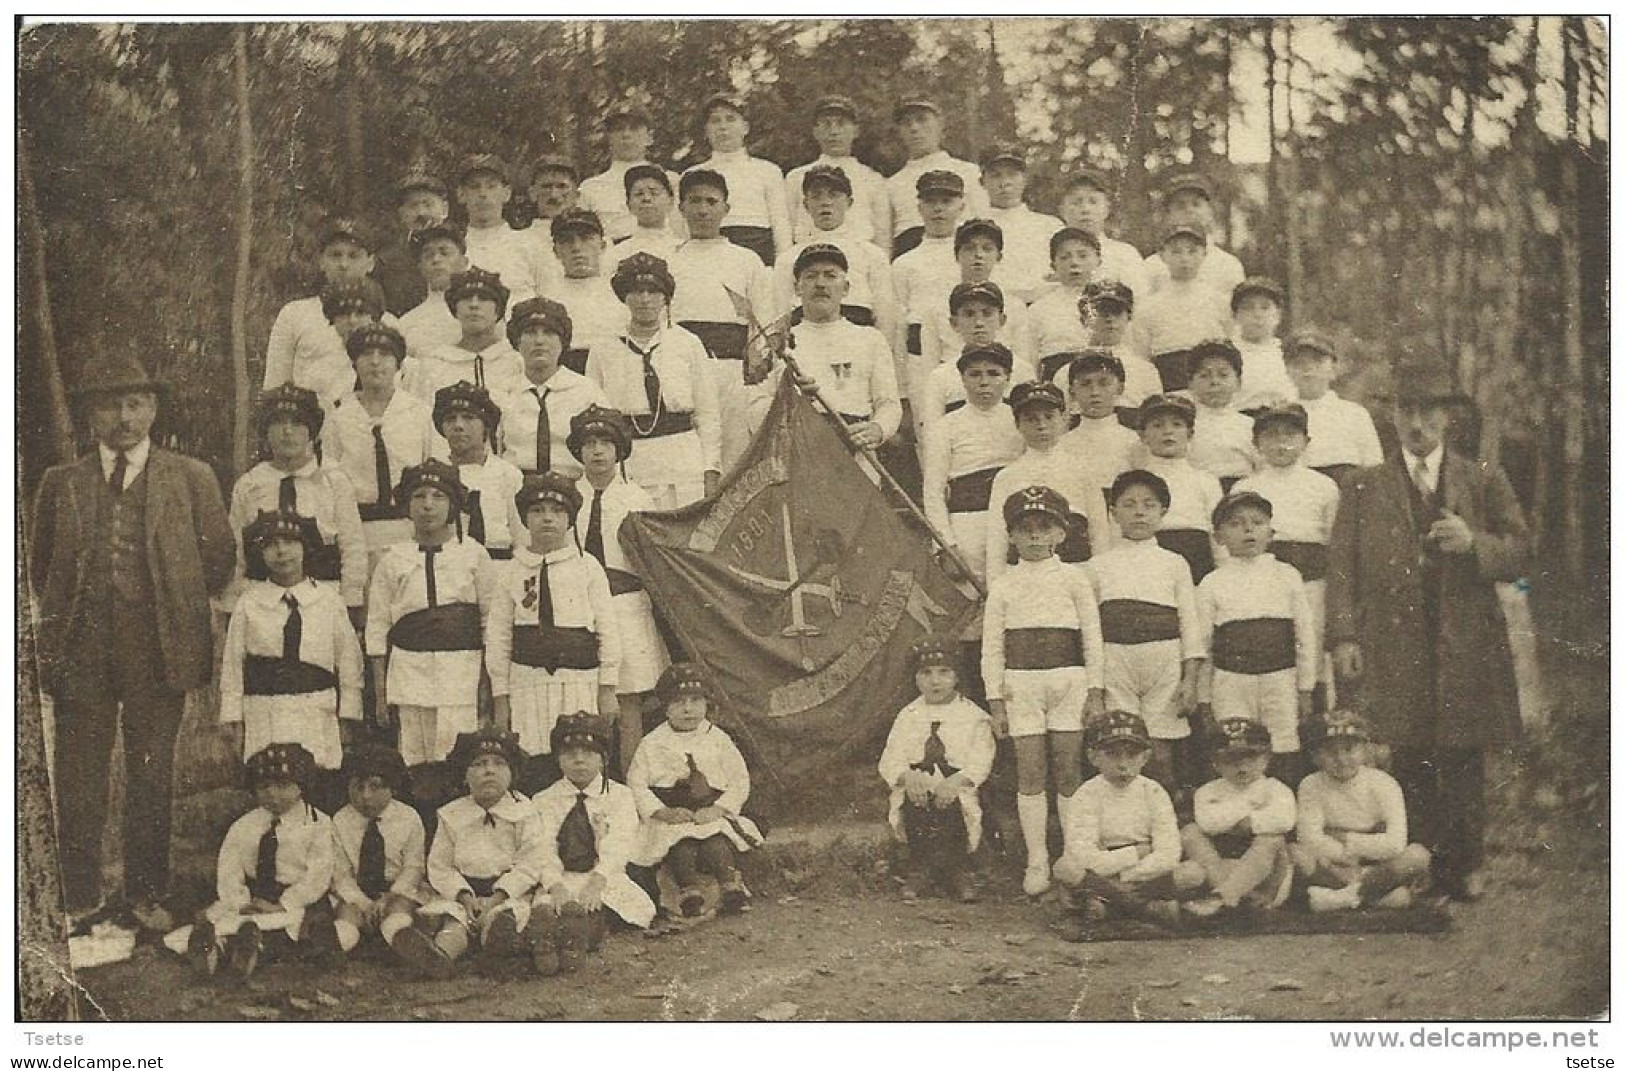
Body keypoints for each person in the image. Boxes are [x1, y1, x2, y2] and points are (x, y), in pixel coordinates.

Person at [29, 355, 234, 932]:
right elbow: (44, 567)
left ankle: (145, 894)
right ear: (91, 414)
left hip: (158, 650)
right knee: (78, 775)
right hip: (82, 651)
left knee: (150, 773)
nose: (124, 417)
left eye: (136, 404)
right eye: (110, 405)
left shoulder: (191, 477)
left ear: (154, 409)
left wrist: (171, 606)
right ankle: (80, 895)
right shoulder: (61, 483)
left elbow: (217, 560)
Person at [1325, 362, 1529, 901]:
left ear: (1447, 419)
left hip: (1464, 640)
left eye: (1429, 413)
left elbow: (1523, 551)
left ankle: (1467, 864)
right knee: (1409, 752)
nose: (1417, 424)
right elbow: (1342, 565)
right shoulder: (1364, 485)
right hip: (1396, 642)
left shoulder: (1481, 477)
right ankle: (1418, 864)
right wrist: (1344, 637)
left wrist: (1474, 542)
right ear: (1393, 417)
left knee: (1463, 755)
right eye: (1407, 412)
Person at [982, 485, 1106, 895]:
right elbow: (993, 647)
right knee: (1031, 771)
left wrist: (1095, 690)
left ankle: (1072, 857)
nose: (1035, 537)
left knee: (1069, 769)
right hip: (1022, 685)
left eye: (1044, 527)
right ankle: (1037, 859)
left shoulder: (1075, 578)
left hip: (1068, 680)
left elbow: (1092, 638)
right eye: (1026, 529)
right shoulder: (1003, 584)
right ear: (1012, 536)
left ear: (1061, 534)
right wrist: (996, 700)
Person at [365, 460, 494, 812]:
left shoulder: (474, 555)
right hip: (410, 674)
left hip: (462, 672)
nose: (427, 505)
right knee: (417, 762)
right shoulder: (392, 560)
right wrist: (380, 690)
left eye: (438, 496)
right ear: (407, 504)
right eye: (419, 496)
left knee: (460, 756)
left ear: (453, 504)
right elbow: (377, 627)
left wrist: (487, 679)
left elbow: (490, 623)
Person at [219, 509, 363, 810]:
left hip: (315, 708)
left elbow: (349, 662)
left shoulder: (327, 601)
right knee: (271, 784)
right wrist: (232, 715)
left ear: (306, 547)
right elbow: (233, 664)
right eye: (271, 544)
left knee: (317, 783)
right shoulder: (250, 603)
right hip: (265, 710)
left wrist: (349, 714)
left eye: (290, 542)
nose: (281, 551)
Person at [486, 471, 620, 792]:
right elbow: (499, 637)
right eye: (537, 511)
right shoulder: (511, 571)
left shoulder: (587, 567)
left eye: (557, 511)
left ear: (571, 519)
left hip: (578, 682)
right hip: (527, 681)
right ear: (524, 518)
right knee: (533, 758)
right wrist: (501, 696)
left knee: (577, 756)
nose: (547, 519)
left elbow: (608, 630)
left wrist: (608, 687)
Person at [1084, 470, 1203, 792]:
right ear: (1113, 512)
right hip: (1116, 661)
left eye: (1149, 505)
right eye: (1129, 504)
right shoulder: (1098, 565)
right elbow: (1091, 631)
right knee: (1121, 745)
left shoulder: (1175, 563)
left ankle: (1164, 819)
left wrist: (1190, 679)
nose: (1139, 512)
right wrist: (1095, 690)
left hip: (1163, 661)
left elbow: (1190, 625)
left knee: (1160, 753)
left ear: (1163, 512)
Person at [396, 728, 546, 978]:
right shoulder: (452, 815)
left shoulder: (525, 813)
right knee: (453, 922)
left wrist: (498, 897)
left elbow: (529, 864)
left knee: (505, 918)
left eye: (499, 764)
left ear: (512, 774)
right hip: (464, 894)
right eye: (479, 764)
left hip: (506, 894)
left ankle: (498, 947)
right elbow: (440, 865)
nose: (489, 770)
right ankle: (439, 956)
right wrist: (464, 896)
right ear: (465, 776)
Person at [569, 405, 669, 774]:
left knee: (627, 702)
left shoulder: (638, 499)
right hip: (579, 607)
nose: (597, 451)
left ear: (619, 450)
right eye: (589, 443)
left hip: (627, 604)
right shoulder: (567, 500)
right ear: (578, 450)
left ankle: (631, 784)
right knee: (585, 696)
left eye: (605, 443)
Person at [184, 743, 336, 979]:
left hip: (296, 896)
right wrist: (240, 901)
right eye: (264, 787)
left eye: (283, 786)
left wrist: (285, 903)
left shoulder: (318, 824)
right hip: (253, 896)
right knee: (225, 917)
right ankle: (215, 947)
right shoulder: (245, 825)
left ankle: (248, 949)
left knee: (292, 927)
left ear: (302, 786)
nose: (273, 795)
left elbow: (318, 875)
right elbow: (230, 868)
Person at [1197, 491, 1318, 783]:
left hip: (1281, 678)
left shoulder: (1287, 575)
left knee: (1283, 747)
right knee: (1235, 747)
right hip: (1232, 681)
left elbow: (1304, 634)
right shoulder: (1212, 583)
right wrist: (1204, 697)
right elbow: (1203, 645)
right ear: (1219, 537)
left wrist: (1305, 689)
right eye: (1236, 524)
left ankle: (1282, 815)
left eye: (1257, 522)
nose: (1248, 529)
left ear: (1271, 532)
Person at [628, 663, 764, 920]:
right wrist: (661, 812)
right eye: (679, 702)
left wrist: (719, 808)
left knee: (716, 842)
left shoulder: (718, 738)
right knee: (681, 845)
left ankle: (730, 885)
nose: (688, 709)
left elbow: (739, 779)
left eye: (695, 701)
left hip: (709, 809)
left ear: (706, 704)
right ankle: (688, 890)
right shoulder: (651, 743)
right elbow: (637, 783)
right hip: (673, 813)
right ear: (665, 707)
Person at [587, 252, 722, 507]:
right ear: (624, 296)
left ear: (665, 297)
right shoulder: (604, 348)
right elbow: (596, 414)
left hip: (684, 463)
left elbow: (708, 414)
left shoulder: (687, 343)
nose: (645, 299)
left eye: (653, 291)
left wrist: (710, 470)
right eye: (636, 291)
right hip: (632, 462)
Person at [1050, 712, 1201, 936]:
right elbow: (1084, 855)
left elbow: (1168, 852)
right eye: (1112, 755)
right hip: (1105, 871)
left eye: (1132, 755)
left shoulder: (1153, 792)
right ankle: (1147, 910)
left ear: (1145, 756)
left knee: (1192, 873)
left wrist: (1129, 877)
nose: (1123, 765)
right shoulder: (1087, 794)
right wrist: (1134, 854)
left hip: (1143, 874)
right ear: (1093, 757)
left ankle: (1114, 906)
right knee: (1066, 868)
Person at [529, 713, 657, 975]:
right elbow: (542, 847)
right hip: (562, 876)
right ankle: (547, 944)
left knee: (600, 905)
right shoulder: (544, 800)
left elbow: (619, 843)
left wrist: (597, 882)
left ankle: (580, 938)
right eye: (570, 753)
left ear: (603, 758)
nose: (579, 760)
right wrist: (555, 885)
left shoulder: (619, 796)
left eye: (588, 752)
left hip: (603, 876)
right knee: (547, 906)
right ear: (558, 759)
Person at [225, 384, 367, 620]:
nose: (287, 432)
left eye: (297, 423)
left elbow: (352, 548)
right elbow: (236, 552)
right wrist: (232, 608)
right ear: (266, 431)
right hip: (263, 602)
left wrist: (351, 605)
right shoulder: (250, 485)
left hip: (322, 599)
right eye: (278, 423)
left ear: (312, 432)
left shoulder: (333, 481)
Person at [668, 167, 777, 470]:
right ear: (682, 208)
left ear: (726, 209)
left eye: (711, 202)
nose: (703, 210)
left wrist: (755, 367)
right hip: (684, 370)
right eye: (695, 201)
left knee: (734, 457)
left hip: (732, 372)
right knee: (692, 454)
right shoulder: (670, 260)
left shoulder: (746, 259)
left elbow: (764, 322)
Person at [1234, 402, 1341, 703]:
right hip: (1263, 579)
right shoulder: (1246, 487)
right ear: (1256, 444)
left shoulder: (1324, 486)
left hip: (1312, 582)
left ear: (1306, 442)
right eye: (1271, 435)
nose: (1281, 442)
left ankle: (1315, 724)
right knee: (1272, 646)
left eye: (1290, 434)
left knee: (1312, 648)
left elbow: (1334, 541)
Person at [877, 638, 996, 902]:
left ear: (956, 677)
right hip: (919, 789)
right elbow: (891, 758)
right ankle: (922, 869)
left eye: (944, 672)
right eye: (926, 674)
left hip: (957, 787)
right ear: (916, 680)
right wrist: (907, 777)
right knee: (914, 799)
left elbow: (981, 759)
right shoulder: (908, 715)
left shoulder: (973, 716)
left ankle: (957, 870)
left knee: (955, 805)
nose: (935, 681)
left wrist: (958, 781)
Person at [323, 323, 445, 563]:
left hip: (409, 530)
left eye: (385, 355)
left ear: (399, 364)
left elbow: (436, 470)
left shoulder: (419, 413)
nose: (375, 362)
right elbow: (329, 479)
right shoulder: (339, 416)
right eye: (366, 354)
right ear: (355, 363)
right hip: (357, 531)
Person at [1292, 711, 1433, 912]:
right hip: (1334, 866)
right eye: (1331, 752)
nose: (1341, 759)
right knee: (1297, 854)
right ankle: (1371, 897)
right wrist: (1346, 862)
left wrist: (1346, 839)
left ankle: (1343, 897)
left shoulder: (1384, 784)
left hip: (1377, 866)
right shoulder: (1311, 785)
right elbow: (1309, 838)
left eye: (1349, 749)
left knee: (1418, 855)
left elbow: (1395, 843)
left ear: (1365, 751)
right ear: (1315, 756)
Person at [921, 342, 1024, 586]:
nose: (984, 382)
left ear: (1008, 378)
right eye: (975, 374)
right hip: (967, 524)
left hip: (1014, 524)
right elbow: (933, 492)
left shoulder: (1020, 420)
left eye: (993, 374)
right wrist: (946, 545)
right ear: (963, 379)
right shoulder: (946, 427)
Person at [264, 217, 391, 409]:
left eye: (353, 256)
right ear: (321, 261)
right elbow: (276, 384)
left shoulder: (388, 323)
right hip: (310, 427)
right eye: (335, 255)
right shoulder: (295, 314)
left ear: (370, 263)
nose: (344, 265)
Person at [984, 382, 1102, 583]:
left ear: (1064, 419)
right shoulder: (1007, 477)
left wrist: (1100, 582)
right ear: (1017, 424)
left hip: (1077, 573)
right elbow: (997, 542)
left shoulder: (1083, 471)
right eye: (1031, 419)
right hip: (1024, 577)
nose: (1041, 426)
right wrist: (995, 586)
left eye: (1049, 417)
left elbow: (1100, 534)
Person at [1180, 718, 1296, 917]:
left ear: (1266, 758)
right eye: (1231, 760)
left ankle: (1224, 897)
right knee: (1190, 832)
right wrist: (1251, 810)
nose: (1241, 766)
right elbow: (1208, 823)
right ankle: (1237, 898)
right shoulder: (1207, 791)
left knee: (1271, 838)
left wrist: (1247, 823)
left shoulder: (1276, 788)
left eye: (1250, 758)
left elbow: (1285, 820)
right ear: (1215, 763)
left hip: (1266, 873)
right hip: (1220, 868)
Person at [327, 743, 429, 960]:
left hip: (395, 890)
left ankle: (402, 942)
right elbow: (341, 873)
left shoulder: (409, 818)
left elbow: (413, 867)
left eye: (375, 787)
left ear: (392, 788)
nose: (365, 796)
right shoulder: (340, 820)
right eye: (358, 787)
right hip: (357, 891)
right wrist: (362, 902)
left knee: (401, 909)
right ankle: (337, 945)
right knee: (346, 913)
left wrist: (390, 896)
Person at [776, 163, 896, 338]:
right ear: (806, 205)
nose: (825, 202)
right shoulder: (789, 258)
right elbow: (781, 316)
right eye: (816, 196)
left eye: (834, 195)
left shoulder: (871, 254)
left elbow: (885, 315)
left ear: (849, 202)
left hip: (858, 342)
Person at [497, 297, 608, 482]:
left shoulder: (586, 391)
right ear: (517, 341)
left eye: (549, 333)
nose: (539, 341)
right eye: (530, 333)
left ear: (563, 341)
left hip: (572, 490)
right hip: (517, 489)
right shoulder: (504, 392)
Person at [891, 170, 967, 415]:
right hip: (919, 359)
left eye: (946, 202)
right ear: (920, 208)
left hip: (967, 354)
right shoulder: (905, 263)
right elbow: (898, 327)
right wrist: (901, 388)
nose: (938, 209)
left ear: (961, 206)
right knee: (928, 433)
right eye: (931, 202)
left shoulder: (972, 257)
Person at [919, 281, 1035, 433]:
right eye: (969, 314)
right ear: (954, 323)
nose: (979, 322)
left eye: (987, 313)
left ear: (1002, 320)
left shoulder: (1022, 371)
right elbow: (931, 431)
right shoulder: (940, 377)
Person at [689, 92, 790, 265]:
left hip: (758, 253)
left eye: (730, 119)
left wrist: (783, 266)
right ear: (706, 131)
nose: (723, 127)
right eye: (715, 121)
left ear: (745, 127)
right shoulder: (693, 174)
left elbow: (780, 225)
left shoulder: (767, 171)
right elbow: (684, 227)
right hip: (709, 252)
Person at [920, 221, 1033, 376]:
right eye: (969, 248)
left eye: (987, 249)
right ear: (957, 255)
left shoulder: (1015, 306)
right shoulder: (935, 306)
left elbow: (1022, 362)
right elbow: (929, 364)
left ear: (999, 256)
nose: (978, 255)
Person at [1135, 392, 1223, 584]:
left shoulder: (1206, 481)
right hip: (1150, 564)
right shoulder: (1135, 482)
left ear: (1190, 433)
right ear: (1142, 435)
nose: (1168, 432)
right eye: (1157, 425)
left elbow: (1218, 538)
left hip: (1197, 564)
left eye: (1177, 424)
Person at [403, 267, 526, 403]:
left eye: (483, 298)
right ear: (455, 310)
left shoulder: (517, 361)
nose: (474, 305)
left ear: (498, 311)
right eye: (466, 298)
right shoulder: (433, 365)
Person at [434, 382, 525, 560]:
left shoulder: (508, 475)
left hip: (500, 566)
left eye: (468, 417)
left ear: (486, 426)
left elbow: (521, 537)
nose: (458, 426)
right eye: (451, 419)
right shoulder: (437, 475)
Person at [885, 99, 986, 258]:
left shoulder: (970, 172)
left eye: (922, 119)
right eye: (906, 123)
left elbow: (986, 227)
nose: (914, 128)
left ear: (940, 124)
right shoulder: (891, 185)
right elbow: (886, 244)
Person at [785, 94, 889, 248]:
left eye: (841, 124)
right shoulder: (796, 177)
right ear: (815, 132)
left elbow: (883, 235)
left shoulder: (872, 179)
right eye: (826, 124)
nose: (834, 131)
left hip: (859, 256)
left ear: (856, 130)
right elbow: (788, 227)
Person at [1285, 329, 1383, 485]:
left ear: (1334, 369)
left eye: (1317, 360)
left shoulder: (1355, 415)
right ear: (1287, 371)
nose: (1308, 368)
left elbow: (1375, 473)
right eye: (1298, 363)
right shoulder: (1281, 417)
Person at [577, 103, 682, 244]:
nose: (626, 135)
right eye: (618, 129)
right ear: (608, 137)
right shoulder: (590, 188)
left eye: (634, 128)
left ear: (649, 137)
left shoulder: (671, 181)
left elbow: (682, 230)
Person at [454, 153, 550, 305]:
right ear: (461, 195)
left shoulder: (531, 243)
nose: (483, 194)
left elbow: (549, 296)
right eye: (474, 187)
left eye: (491, 186)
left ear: (506, 193)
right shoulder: (454, 249)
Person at [1138, 224, 1235, 374]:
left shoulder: (1220, 302)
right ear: (1162, 255)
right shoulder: (1149, 306)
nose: (1185, 258)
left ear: (1204, 254)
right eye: (1176, 252)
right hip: (1167, 379)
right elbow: (1143, 356)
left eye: (1192, 251)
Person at [548, 208, 629, 375]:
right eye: (567, 241)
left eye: (586, 239)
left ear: (603, 244)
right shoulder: (548, 300)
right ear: (556, 251)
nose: (577, 247)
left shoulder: (623, 294)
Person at [1057, 349, 1141, 508]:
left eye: (1104, 383)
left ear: (1120, 388)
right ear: (1072, 392)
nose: (1095, 392)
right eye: (1085, 384)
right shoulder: (1062, 445)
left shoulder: (1134, 442)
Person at [1142, 171, 1247, 297]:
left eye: (1196, 204)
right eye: (1180, 205)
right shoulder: (1153, 265)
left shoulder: (1228, 265)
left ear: (1209, 211)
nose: (1189, 210)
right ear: (1168, 214)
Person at [979, 145, 1063, 304]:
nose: (1004, 183)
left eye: (1012, 175)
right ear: (982, 181)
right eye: (996, 176)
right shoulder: (973, 227)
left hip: (1040, 307)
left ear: (1025, 179)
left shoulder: (1050, 226)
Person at [1056, 168, 1148, 300]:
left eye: (1093, 201)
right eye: (1076, 202)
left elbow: (1139, 303)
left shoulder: (1125, 255)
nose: (1085, 209)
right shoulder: (1050, 254)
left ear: (1107, 209)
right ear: (1062, 210)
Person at [1066, 280, 1160, 410]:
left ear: (1129, 316)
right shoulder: (1066, 373)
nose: (1109, 319)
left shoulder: (1146, 371)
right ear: (1084, 319)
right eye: (1100, 312)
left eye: (1116, 311)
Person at [1023, 228, 1101, 384]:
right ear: (1053, 265)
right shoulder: (1040, 309)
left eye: (1083, 256)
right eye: (1065, 257)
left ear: (1098, 260)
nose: (1074, 263)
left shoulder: (1112, 303)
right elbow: (1031, 359)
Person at [1184, 339, 1257, 492]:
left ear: (1239, 382)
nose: (1214, 382)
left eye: (1223, 375)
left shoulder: (1250, 426)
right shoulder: (1183, 426)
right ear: (1190, 384)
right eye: (1204, 375)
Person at [376, 169, 450, 317]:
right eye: (413, 206)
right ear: (402, 214)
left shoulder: (464, 252)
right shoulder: (386, 262)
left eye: (428, 204)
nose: (421, 212)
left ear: (445, 209)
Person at [396, 222, 467, 363]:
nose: (436, 259)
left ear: (464, 262)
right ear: (420, 267)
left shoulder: (479, 313)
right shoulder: (407, 323)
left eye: (444, 253)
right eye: (428, 255)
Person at [1229, 277, 1295, 411]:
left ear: (1278, 315)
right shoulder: (1227, 354)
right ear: (1236, 315)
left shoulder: (1289, 352)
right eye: (1248, 308)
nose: (1257, 314)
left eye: (1265, 307)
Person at [517, 153, 578, 284]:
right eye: (546, 186)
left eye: (562, 186)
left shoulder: (595, 239)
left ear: (576, 195)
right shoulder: (518, 241)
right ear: (532, 193)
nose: (554, 195)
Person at [606, 164, 681, 269]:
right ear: (628, 204)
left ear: (671, 201)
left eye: (654, 193)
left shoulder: (682, 248)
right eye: (638, 194)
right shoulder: (617, 253)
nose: (646, 198)